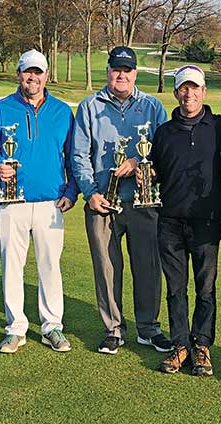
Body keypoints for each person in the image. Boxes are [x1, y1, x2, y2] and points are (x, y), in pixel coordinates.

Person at [0, 49, 80, 354]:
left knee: (50, 266)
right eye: (26, 72)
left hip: (50, 202)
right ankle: (15, 328)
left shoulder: (62, 112)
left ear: (46, 75)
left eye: (38, 72)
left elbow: (72, 156)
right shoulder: (1, 109)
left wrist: (72, 192)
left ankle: (52, 327)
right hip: (11, 202)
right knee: (12, 266)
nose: (32, 78)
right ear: (18, 74)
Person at [72, 46, 171, 355]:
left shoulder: (153, 107)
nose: (121, 75)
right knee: (107, 269)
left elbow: (165, 153)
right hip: (103, 203)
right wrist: (90, 193)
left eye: (127, 70)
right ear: (109, 71)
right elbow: (79, 155)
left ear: (135, 74)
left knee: (148, 267)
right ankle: (113, 328)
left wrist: (144, 166)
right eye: (117, 69)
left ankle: (148, 328)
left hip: (143, 203)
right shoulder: (90, 106)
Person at [139, 65, 221, 376]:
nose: (189, 93)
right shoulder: (163, 132)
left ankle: (202, 345)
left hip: (206, 223)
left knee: (206, 289)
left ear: (204, 92)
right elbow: (158, 171)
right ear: (176, 92)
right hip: (170, 222)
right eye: (183, 88)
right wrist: (147, 173)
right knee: (176, 288)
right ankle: (180, 345)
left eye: (194, 88)